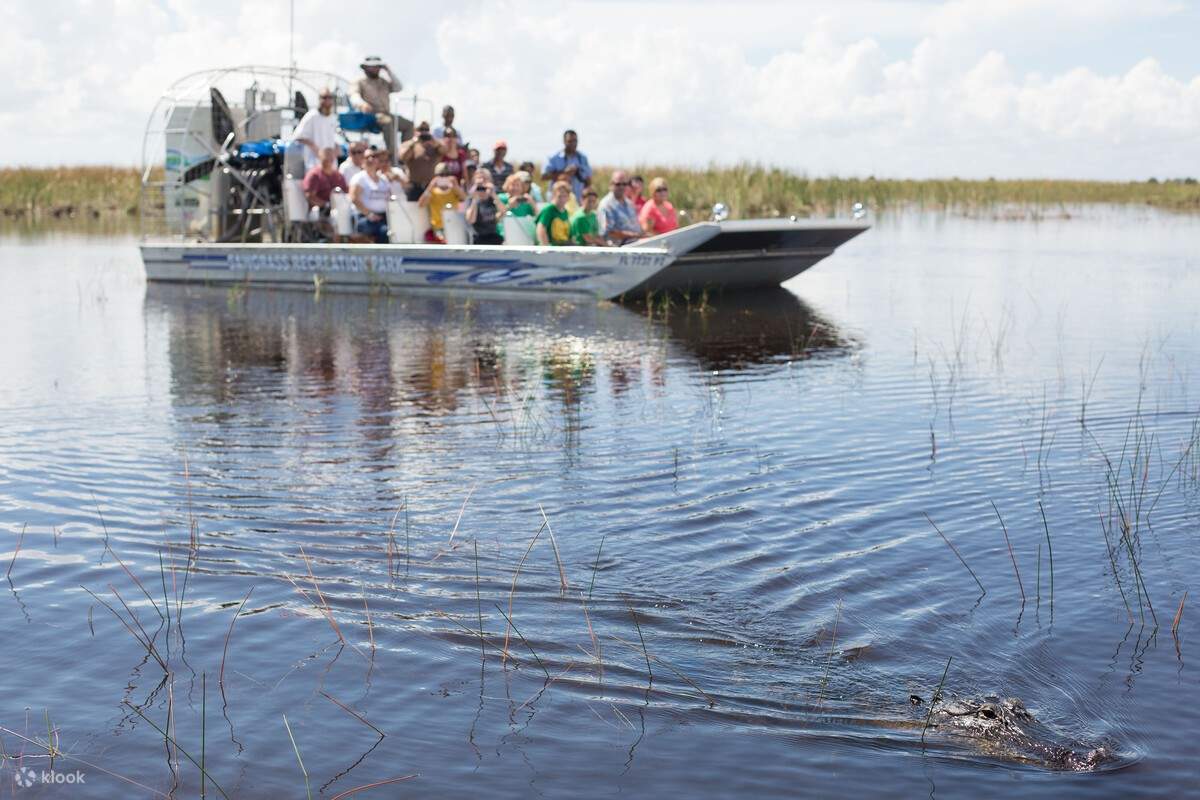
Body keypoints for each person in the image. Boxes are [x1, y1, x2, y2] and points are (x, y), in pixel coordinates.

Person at [353, 56, 411, 156]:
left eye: (377, 66)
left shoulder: (384, 82)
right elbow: (354, 96)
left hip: (387, 114)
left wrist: (388, 71)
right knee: (388, 122)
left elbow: (399, 87)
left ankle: (405, 155)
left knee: (409, 125)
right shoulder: (360, 82)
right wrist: (362, 104)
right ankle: (393, 157)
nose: (376, 69)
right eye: (372, 66)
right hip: (371, 115)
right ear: (365, 68)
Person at [290, 87, 338, 173]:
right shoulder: (312, 115)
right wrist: (314, 147)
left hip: (331, 164)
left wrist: (336, 149)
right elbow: (297, 136)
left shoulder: (333, 117)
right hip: (314, 164)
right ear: (319, 99)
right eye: (324, 97)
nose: (327, 100)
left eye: (330, 97)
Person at [349, 149, 393, 244]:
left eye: (373, 156)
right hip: (365, 217)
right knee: (385, 232)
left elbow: (390, 198)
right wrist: (369, 214)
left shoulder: (383, 179)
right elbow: (354, 198)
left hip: (384, 216)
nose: (370, 159)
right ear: (362, 161)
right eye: (367, 157)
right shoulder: (359, 178)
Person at [418, 162, 466, 243]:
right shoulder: (432, 191)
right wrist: (430, 187)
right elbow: (421, 204)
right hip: (438, 229)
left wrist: (455, 185)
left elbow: (464, 198)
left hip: (454, 226)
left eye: (447, 175)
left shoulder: (454, 190)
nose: (444, 177)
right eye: (441, 175)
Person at [398, 120, 443, 201]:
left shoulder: (434, 144)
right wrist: (414, 142)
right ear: (415, 130)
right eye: (421, 129)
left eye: (426, 129)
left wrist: (434, 141)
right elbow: (403, 158)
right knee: (412, 209)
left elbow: (445, 151)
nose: (424, 132)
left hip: (431, 186)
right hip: (414, 186)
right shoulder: (408, 144)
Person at [542, 130, 592, 201]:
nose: (573, 144)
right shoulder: (554, 157)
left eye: (575, 141)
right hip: (557, 200)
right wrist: (564, 172)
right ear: (564, 141)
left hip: (577, 200)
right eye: (570, 141)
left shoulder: (582, 158)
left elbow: (588, 179)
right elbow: (544, 176)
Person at [597, 170, 641, 244]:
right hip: (617, 247)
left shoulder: (629, 203)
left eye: (624, 184)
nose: (621, 187)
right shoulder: (606, 205)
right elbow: (608, 232)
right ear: (611, 185)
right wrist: (634, 235)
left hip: (636, 243)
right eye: (618, 184)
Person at [464, 172, 504, 245]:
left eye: (485, 179)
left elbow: (504, 213)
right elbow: (471, 220)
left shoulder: (493, 198)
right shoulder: (471, 199)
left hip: (494, 237)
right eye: (479, 179)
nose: (482, 182)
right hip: (478, 238)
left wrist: (493, 194)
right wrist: (475, 199)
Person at [535, 181, 573, 246]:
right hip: (553, 247)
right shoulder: (549, 210)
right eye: (559, 196)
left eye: (565, 196)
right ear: (554, 195)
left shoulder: (565, 211)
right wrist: (546, 247)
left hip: (564, 245)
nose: (562, 199)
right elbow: (541, 229)